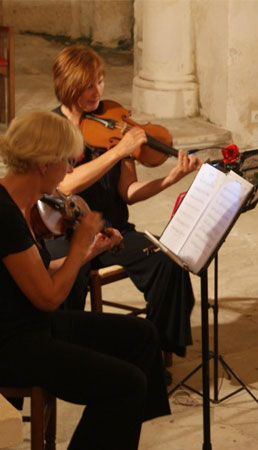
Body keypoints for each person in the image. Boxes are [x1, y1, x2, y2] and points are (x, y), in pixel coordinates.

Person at [0, 111, 170, 450]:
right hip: (12, 345)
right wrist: (78, 247)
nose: (70, 170)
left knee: (144, 337)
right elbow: (48, 297)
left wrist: (90, 250)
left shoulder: (17, 205)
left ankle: (118, 435)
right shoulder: (5, 215)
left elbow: (39, 274)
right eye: (67, 161)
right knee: (127, 385)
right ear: (44, 164)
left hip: (33, 326)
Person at [48, 44, 202, 361]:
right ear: (69, 84)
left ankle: (154, 350)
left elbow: (127, 191)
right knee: (67, 275)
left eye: (100, 82)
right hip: (66, 233)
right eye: (88, 84)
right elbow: (65, 184)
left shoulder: (113, 121)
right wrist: (119, 152)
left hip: (112, 231)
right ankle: (65, 354)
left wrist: (169, 179)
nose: (97, 92)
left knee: (167, 263)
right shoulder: (51, 129)